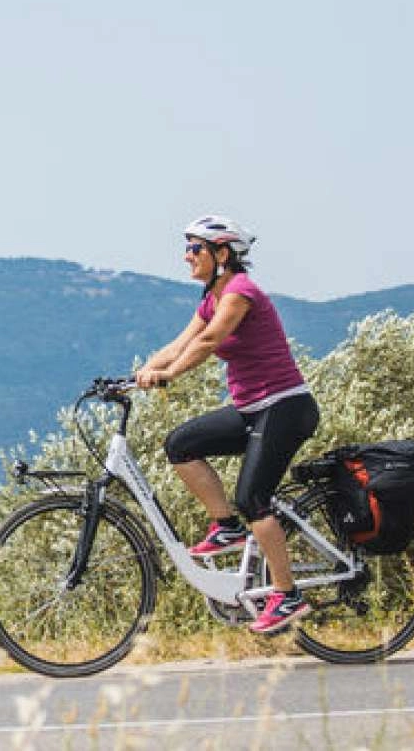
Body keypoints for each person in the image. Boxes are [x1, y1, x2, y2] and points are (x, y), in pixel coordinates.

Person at [134, 215, 321, 635]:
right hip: (254, 408)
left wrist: (170, 375)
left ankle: (287, 594)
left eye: (194, 248)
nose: (187, 256)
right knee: (181, 445)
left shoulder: (240, 292)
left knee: (253, 497)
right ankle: (226, 526)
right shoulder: (211, 298)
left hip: (285, 407)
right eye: (187, 248)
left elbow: (208, 341)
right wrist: (139, 373)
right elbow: (180, 343)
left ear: (222, 253)